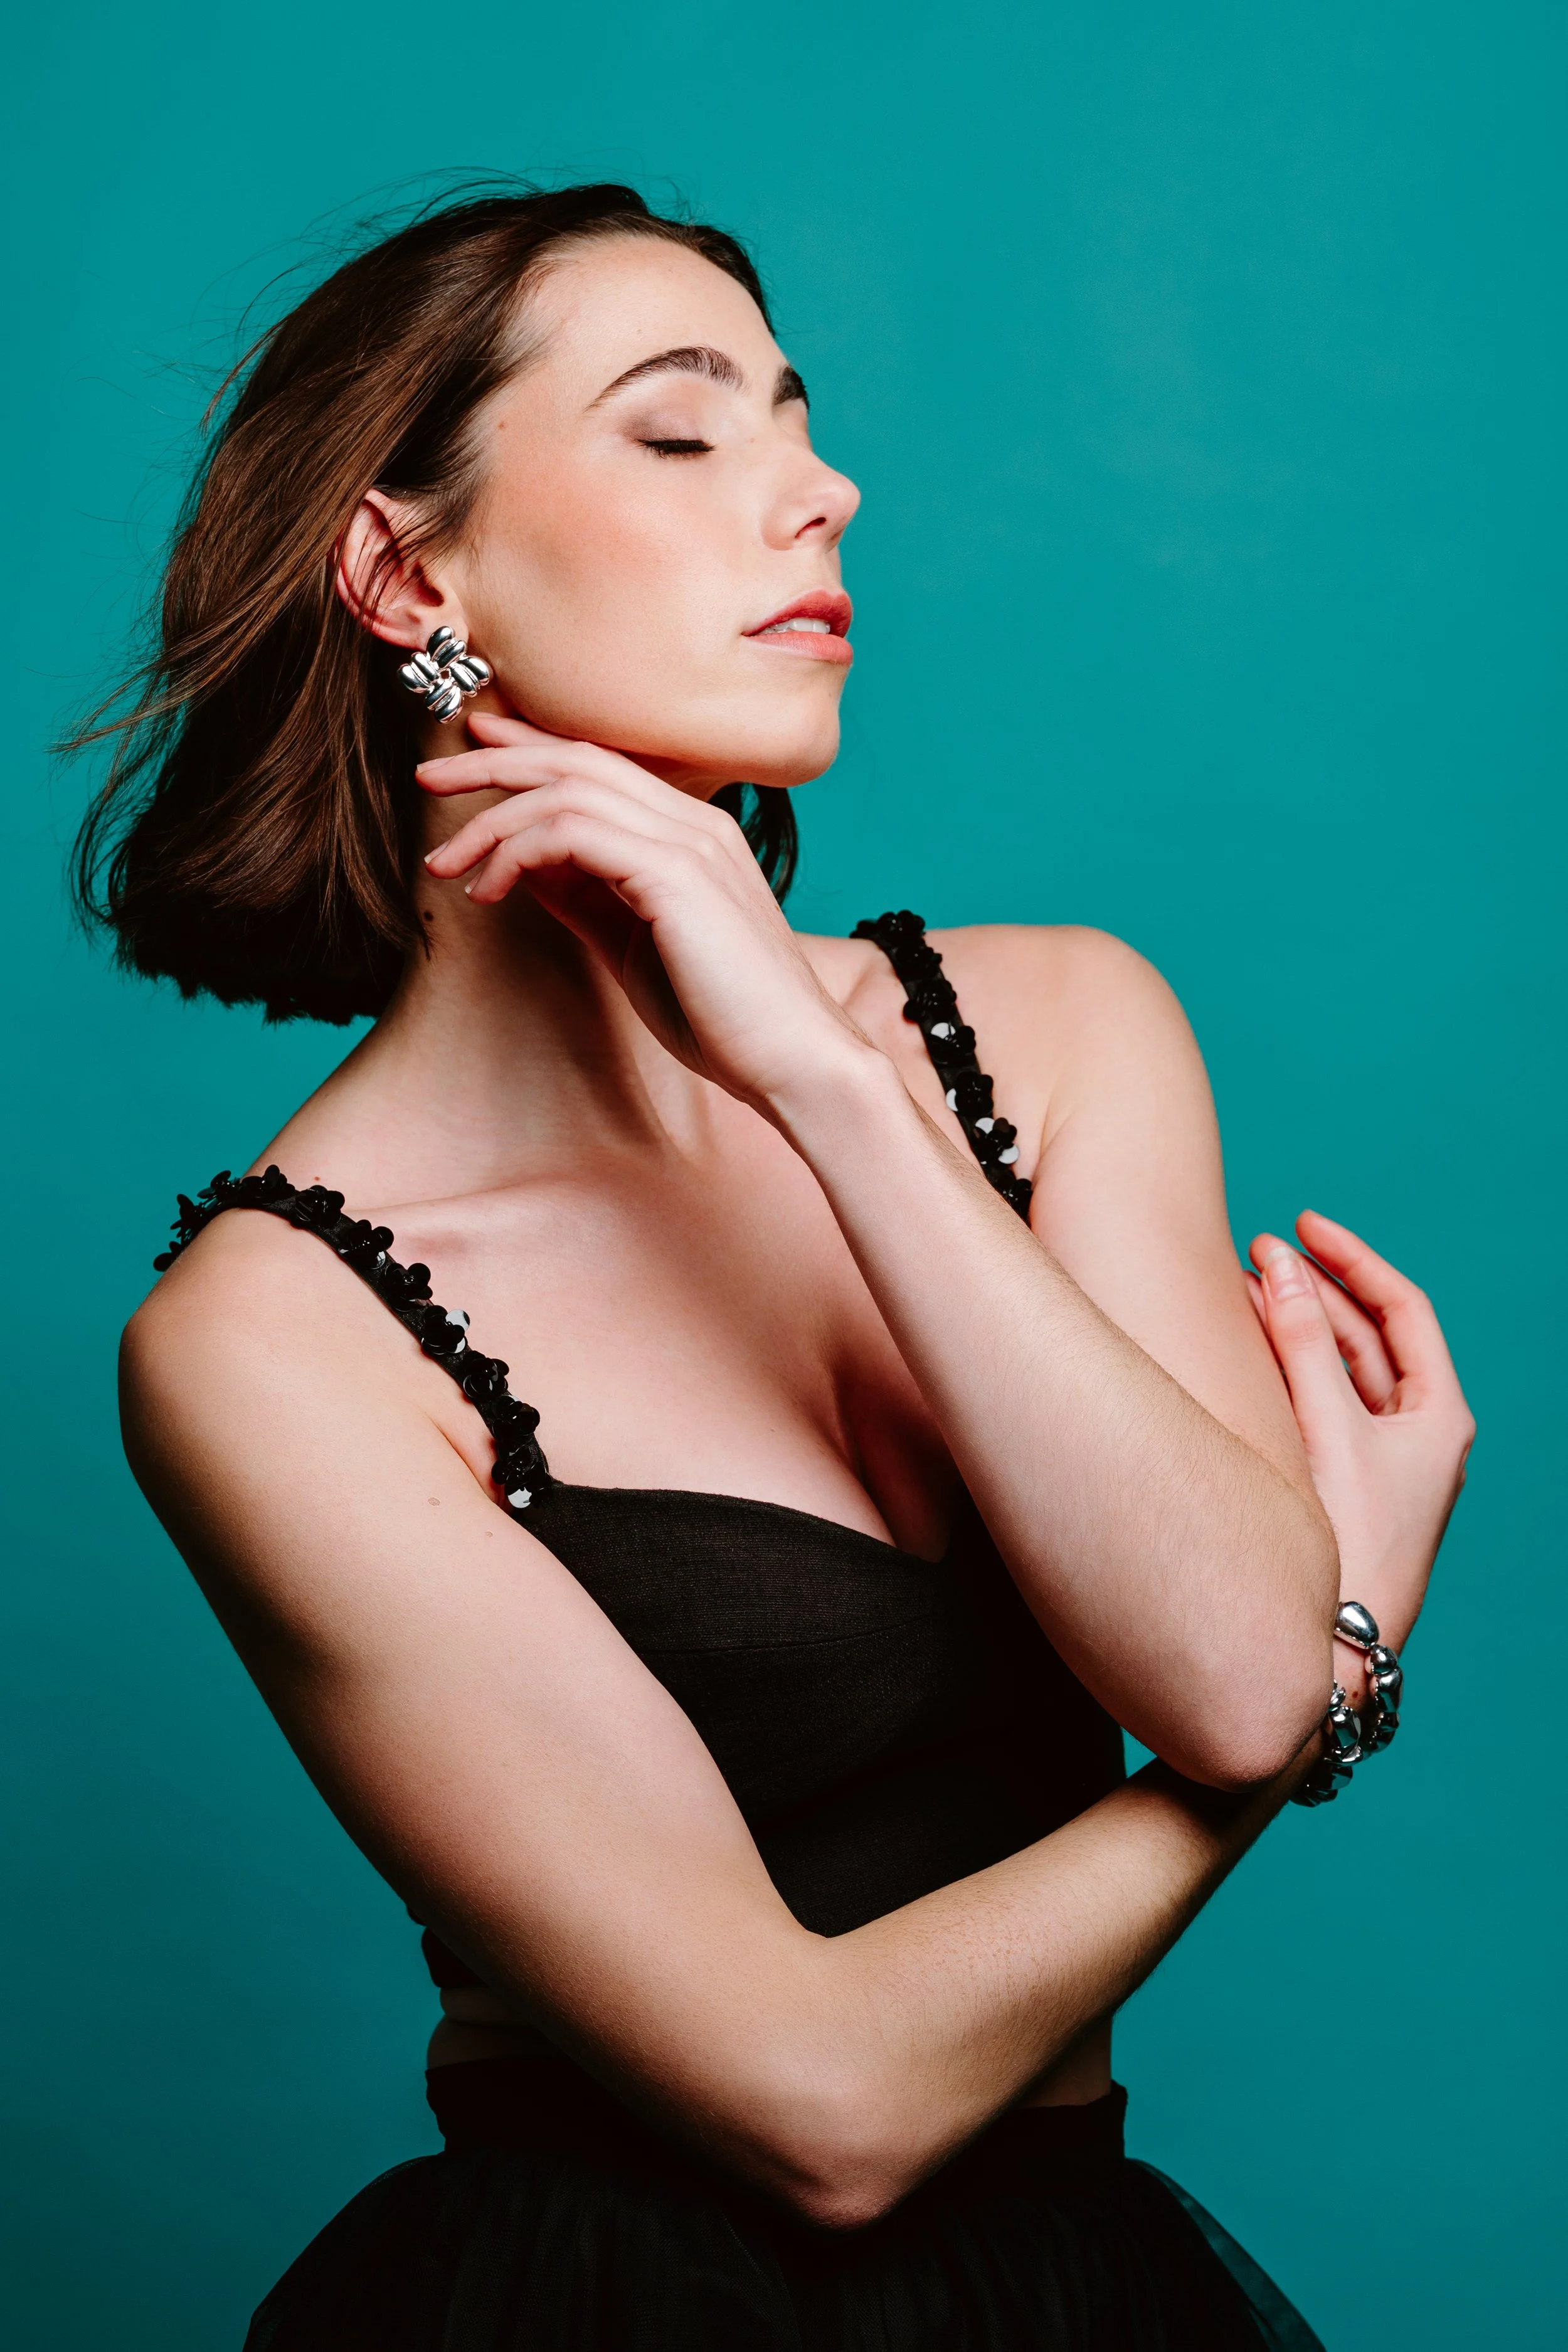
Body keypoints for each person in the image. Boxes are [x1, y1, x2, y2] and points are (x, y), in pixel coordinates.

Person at [73, 184, 1474, 2349]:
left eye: (798, 420)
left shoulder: (1067, 1029)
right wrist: (1334, 1687)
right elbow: (822, 2099)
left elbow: (1212, 1665)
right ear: (403, 572)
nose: (818, 488)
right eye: (678, 431)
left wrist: (834, 1094)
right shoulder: (270, 1342)